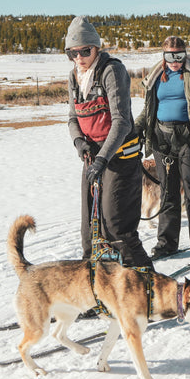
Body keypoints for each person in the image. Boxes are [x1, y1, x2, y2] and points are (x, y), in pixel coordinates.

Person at [65, 15, 152, 268]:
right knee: (90, 230)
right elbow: (72, 118)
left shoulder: (112, 71)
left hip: (120, 157)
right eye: (72, 53)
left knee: (116, 228)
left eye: (85, 51)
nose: (79, 57)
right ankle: (95, 285)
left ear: (96, 48)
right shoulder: (74, 76)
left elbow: (121, 122)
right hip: (93, 158)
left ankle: (149, 283)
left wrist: (102, 158)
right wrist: (79, 143)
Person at [135, 36, 190, 265]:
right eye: (170, 56)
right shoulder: (156, 77)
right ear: (164, 56)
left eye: (179, 56)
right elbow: (148, 110)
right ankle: (166, 243)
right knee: (168, 193)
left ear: (185, 54)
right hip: (162, 140)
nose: (175, 61)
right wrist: (136, 129)